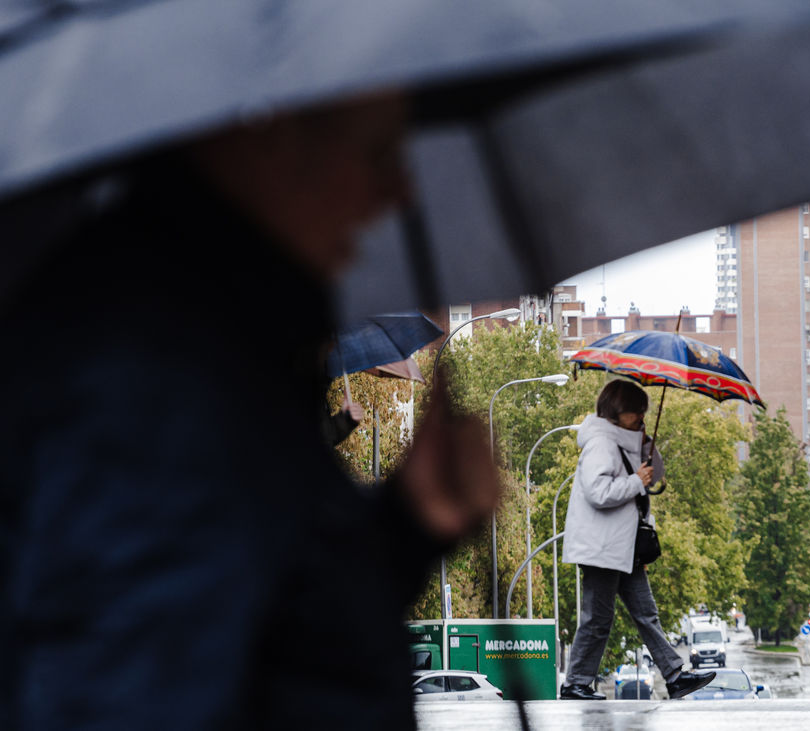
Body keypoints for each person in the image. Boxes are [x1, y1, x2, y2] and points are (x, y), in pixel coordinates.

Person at [0, 94, 501, 728]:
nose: (399, 192)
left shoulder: (218, 340)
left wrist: (409, 527)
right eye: (377, 155)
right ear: (269, 128)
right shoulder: (155, 374)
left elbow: (266, 628)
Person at [559, 380, 715, 700]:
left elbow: (655, 475)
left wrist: (646, 444)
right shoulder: (601, 443)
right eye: (636, 412)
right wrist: (635, 481)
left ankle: (674, 675)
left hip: (624, 546)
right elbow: (598, 492)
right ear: (616, 412)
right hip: (602, 547)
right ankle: (575, 683)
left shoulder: (626, 439)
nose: (642, 417)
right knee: (597, 619)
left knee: (646, 612)